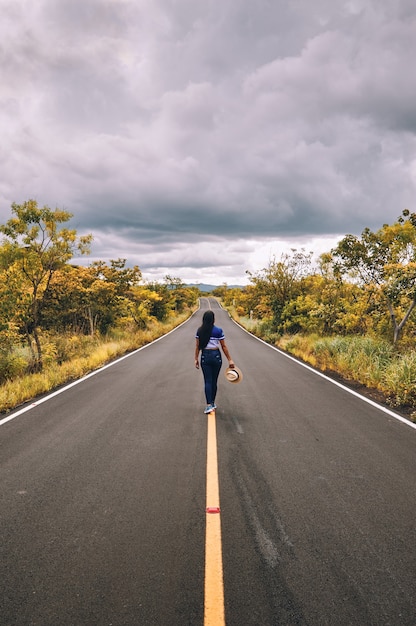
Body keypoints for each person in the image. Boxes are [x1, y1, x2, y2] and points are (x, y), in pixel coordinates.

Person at [195, 310, 235, 414]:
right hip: (216, 356)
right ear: (213, 319)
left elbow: (197, 346)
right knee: (214, 380)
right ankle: (212, 402)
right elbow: (224, 346)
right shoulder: (218, 331)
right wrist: (230, 359)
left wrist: (196, 358)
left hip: (205, 356)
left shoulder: (200, 331)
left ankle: (208, 405)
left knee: (207, 380)